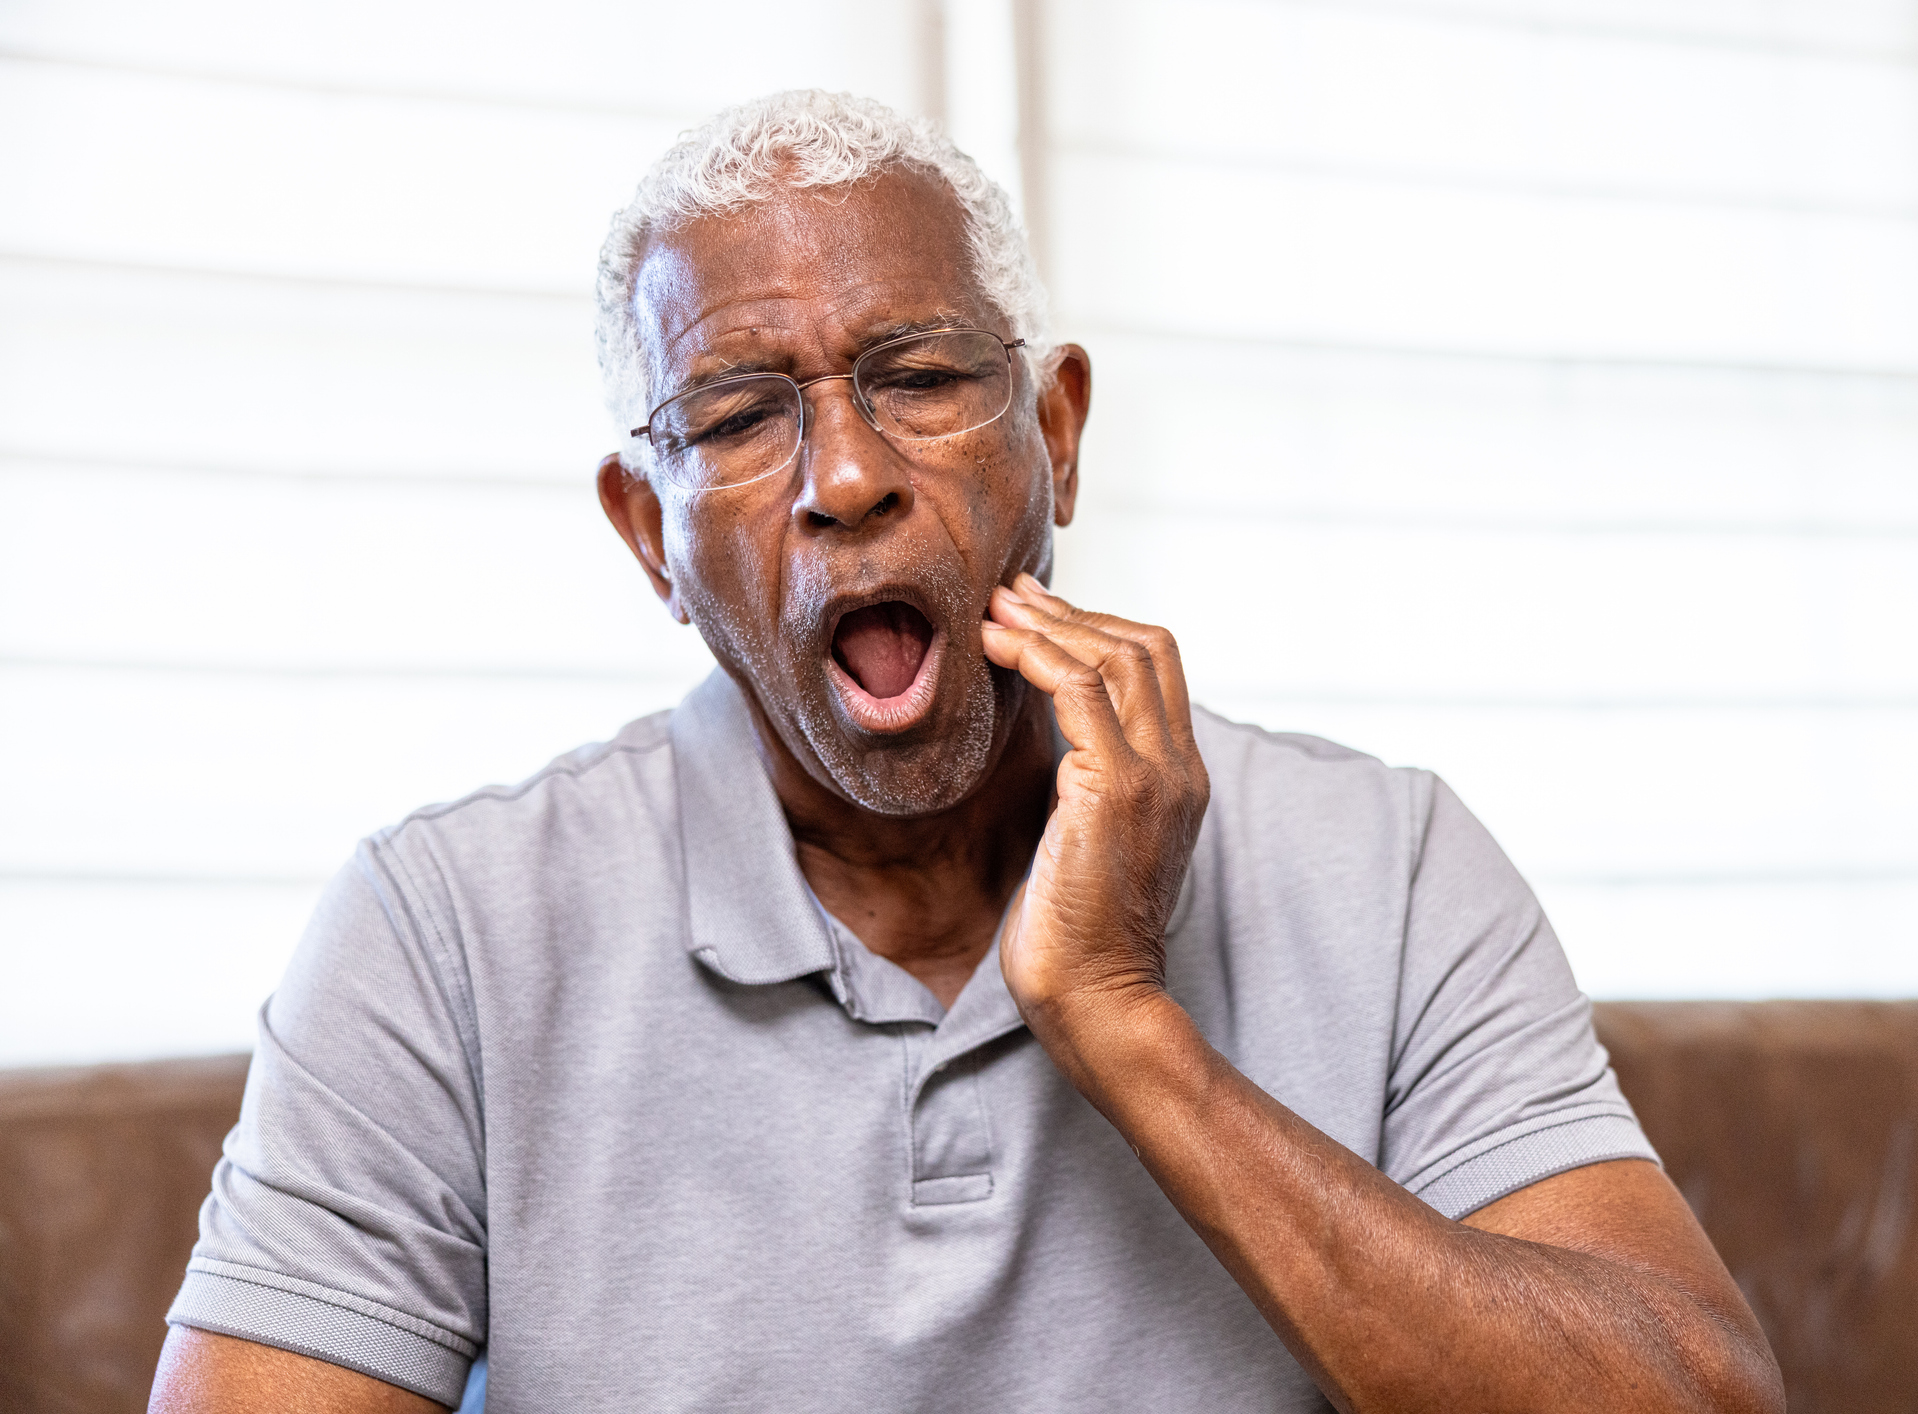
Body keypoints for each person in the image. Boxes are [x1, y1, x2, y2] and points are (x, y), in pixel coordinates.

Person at [147, 90, 1782, 1414]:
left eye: (918, 377)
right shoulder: (445, 927)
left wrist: (1126, 1021)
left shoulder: (1392, 860)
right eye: (734, 417)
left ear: (1054, 434)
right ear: (650, 537)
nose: (843, 476)